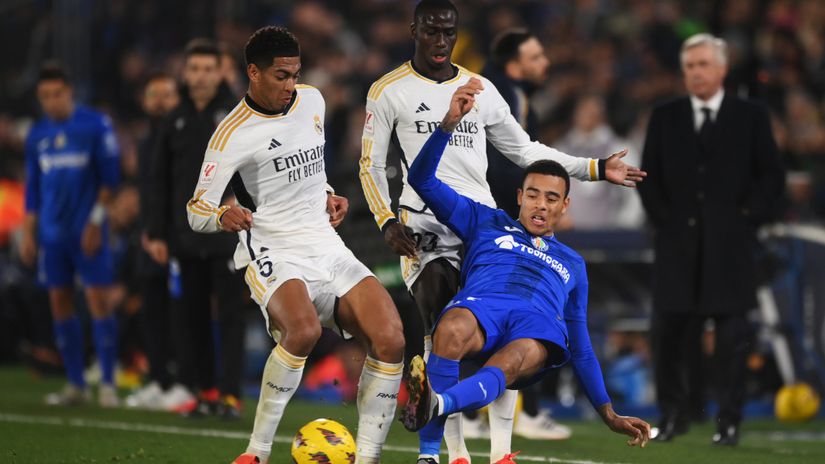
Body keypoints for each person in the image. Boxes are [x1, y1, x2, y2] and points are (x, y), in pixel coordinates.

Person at [359, 1, 643, 461]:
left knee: (509, 324)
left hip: (479, 226)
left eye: (448, 32)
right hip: (427, 224)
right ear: (414, 30)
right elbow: (371, 165)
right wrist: (386, 220)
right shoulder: (388, 90)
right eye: (431, 31)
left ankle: (500, 450)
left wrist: (594, 168)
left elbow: (525, 150)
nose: (440, 41)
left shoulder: (482, 89)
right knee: (441, 326)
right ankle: (442, 453)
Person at [400, 78, 651, 464]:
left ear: (564, 206)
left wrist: (608, 412)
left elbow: (582, 346)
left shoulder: (573, 263)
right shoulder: (484, 220)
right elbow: (421, 181)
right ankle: (430, 453)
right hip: (482, 306)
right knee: (448, 329)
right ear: (519, 196)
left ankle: (436, 409)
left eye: (551, 198)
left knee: (517, 356)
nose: (540, 205)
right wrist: (447, 125)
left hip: (536, 328)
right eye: (532, 194)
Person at [185, 26, 405, 464]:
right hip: (273, 248)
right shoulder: (231, 134)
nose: (291, 85)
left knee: (392, 339)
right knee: (301, 331)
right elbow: (195, 209)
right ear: (254, 72)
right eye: (282, 76)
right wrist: (221, 216)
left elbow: (310, 162)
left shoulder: (313, 101)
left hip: (326, 244)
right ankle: (257, 452)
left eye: (295, 74)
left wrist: (326, 193)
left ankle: (368, 457)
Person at [638, 33, 785, 445]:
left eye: (703, 64)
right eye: (689, 66)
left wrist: (744, 218)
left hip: (731, 250)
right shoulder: (664, 116)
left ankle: (729, 422)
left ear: (721, 69)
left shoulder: (750, 116)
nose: (696, 72)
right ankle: (672, 416)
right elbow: (649, 177)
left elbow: (772, 178)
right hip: (676, 249)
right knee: (668, 337)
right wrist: (666, 221)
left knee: (733, 341)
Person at [145, 39, 247, 419]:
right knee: (194, 317)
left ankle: (231, 396)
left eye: (209, 69)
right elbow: (160, 180)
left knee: (231, 317)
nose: (201, 76)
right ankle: (205, 393)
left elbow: (251, 168)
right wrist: (155, 232)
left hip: (228, 234)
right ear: (185, 74)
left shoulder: (236, 114)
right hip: (186, 236)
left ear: (221, 71)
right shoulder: (174, 120)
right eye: (195, 69)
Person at [483, 27, 572, 442]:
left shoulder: (487, 88)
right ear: (515, 65)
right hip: (498, 218)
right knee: (528, 304)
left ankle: (476, 411)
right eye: (536, 57)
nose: (545, 64)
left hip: (481, 214)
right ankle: (527, 412)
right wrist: (536, 210)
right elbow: (513, 161)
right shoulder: (509, 96)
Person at [22, 63, 121, 407]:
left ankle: (108, 384)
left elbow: (110, 180)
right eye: (45, 96)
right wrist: (28, 232)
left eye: (57, 94)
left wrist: (96, 221)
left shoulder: (95, 125)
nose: (51, 101)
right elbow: (32, 188)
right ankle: (76, 384)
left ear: (69, 92)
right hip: (51, 234)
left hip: (86, 231)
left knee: (99, 304)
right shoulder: (37, 134)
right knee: (59, 305)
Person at [125, 72, 191, 410]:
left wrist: (164, 234)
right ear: (145, 101)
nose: (161, 101)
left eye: (168, 94)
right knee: (151, 311)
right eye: (155, 94)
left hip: (176, 239)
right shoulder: (146, 141)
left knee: (179, 313)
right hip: (149, 237)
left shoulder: (183, 138)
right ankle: (160, 380)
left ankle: (183, 382)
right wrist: (148, 233)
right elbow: (148, 193)